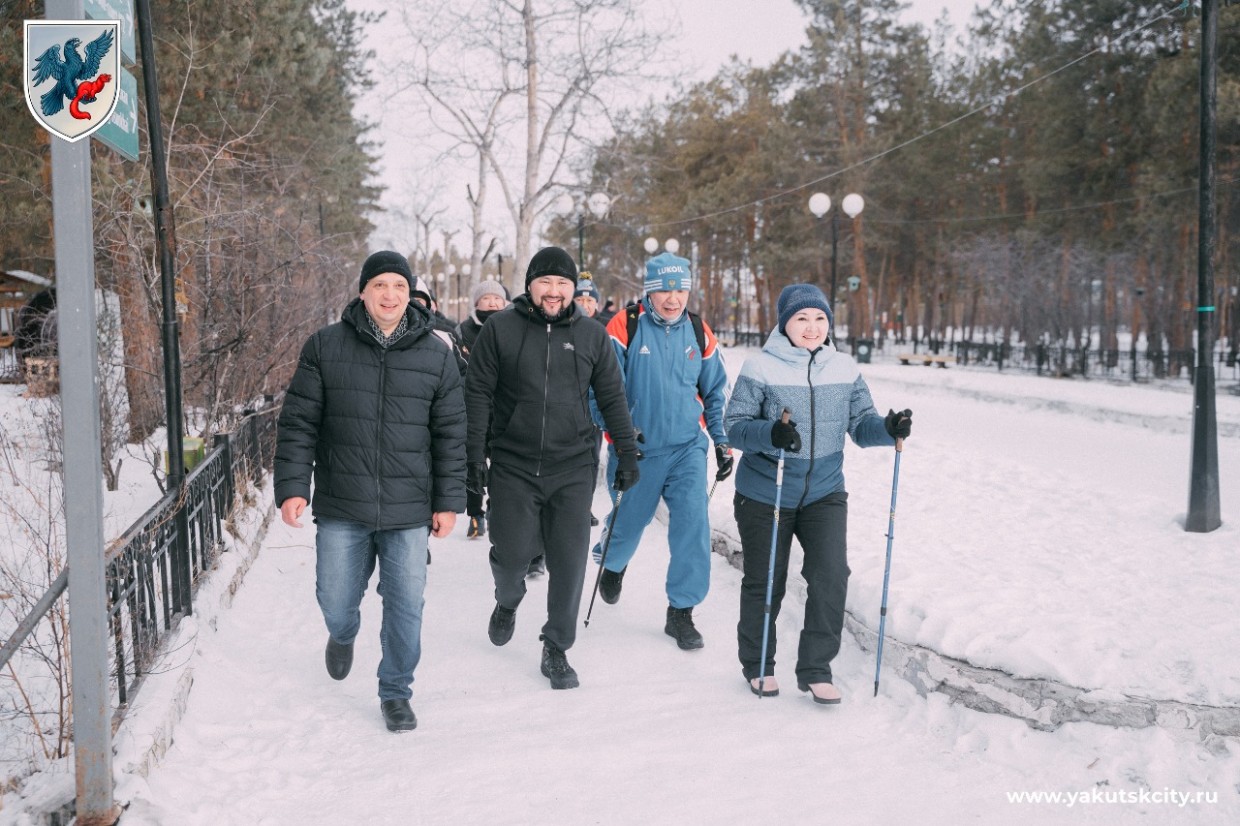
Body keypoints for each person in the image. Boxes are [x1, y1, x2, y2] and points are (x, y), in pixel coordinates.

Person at [274, 250, 466, 733]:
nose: (390, 294)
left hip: (408, 509)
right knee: (335, 599)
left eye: (399, 286)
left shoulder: (435, 355)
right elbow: (299, 423)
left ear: (411, 294)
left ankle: (396, 691)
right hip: (343, 502)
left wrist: (448, 501)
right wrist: (293, 487)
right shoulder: (325, 346)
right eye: (380, 284)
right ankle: (343, 632)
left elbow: (451, 434)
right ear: (363, 292)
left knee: (406, 604)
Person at [725, 283, 912, 704]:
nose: (812, 327)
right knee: (766, 581)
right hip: (765, 493)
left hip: (824, 492)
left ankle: (815, 669)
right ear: (785, 323)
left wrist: (888, 428)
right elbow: (733, 426)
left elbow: (861, 423)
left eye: (820, 319)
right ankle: (758, 665)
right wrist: (770, 433)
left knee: (830, 577)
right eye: (802, 319)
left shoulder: (844, 368)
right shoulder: (761, 367)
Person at [464, 246, 640, 690]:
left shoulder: (592, 336)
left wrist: (627, 452)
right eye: (546, 282)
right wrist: (472, 458)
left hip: (572, 464)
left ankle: (556, 646)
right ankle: (508, 599)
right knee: (511, 555)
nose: (555, 291)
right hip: (513, 463)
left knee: (569, 559)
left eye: (563, 283)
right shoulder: (500, 330)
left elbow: (613, 398)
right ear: (530, 285)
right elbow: (478, 395)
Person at [591, 251, 731, 651]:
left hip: (687, 448)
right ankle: (613, 563)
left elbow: (715, 392)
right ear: (649, 291)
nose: (673, 298)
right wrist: (618, 434)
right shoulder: (625, 327)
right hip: (637, 449)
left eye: (680, 289)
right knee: (629, 525)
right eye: (665, 289)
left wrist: (720, 441)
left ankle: (681, 612)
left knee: (692, 523)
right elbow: (599, 390)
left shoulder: (699, 331)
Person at [454, 279, 510, 540]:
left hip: (504, 409)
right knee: (473, 461)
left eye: (497, 298)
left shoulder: (513, 327)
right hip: (473, 408)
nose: (492, 302)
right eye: (486, 298)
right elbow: (457, 368)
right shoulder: (463, 331)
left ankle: (494, 508)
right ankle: (475, 514)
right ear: (477, 303)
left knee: (501, 463)